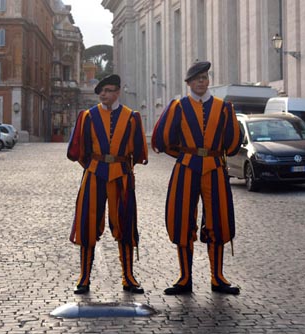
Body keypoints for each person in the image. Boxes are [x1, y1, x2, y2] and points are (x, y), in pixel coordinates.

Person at [151, 61, 243, 295]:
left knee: (219, 220)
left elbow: (232, 142)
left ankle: (218, 277)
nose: (202, 81)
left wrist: (214, 155)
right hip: (186, 169)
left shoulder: (224, 108)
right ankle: (185, 278)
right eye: (197, 78)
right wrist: (185, 155)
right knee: (182, 220)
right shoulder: (178, 107)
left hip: (214, 168)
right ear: (189, 83)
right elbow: (163, 139)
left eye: (205, 77)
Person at [67, 74, 148, 295]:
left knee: (125, 224)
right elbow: (79, 151)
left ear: (118, 92)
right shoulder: (88, 117)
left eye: (108, 90)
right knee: (87, 224)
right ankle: (84, 278)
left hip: (121, 175)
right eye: (101, 91)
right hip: (94, 174)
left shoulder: (132, 118)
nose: (103, 94)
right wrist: (94, 166)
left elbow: (138, 152)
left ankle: (128, 277)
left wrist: (122, 168)